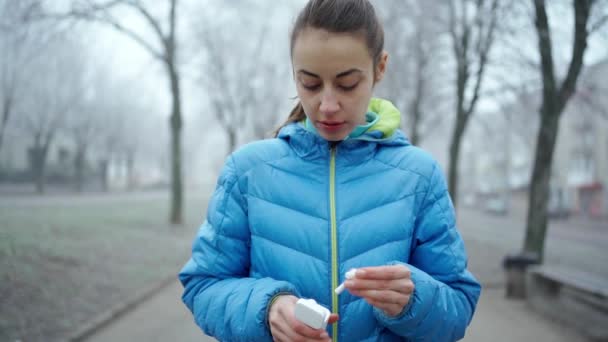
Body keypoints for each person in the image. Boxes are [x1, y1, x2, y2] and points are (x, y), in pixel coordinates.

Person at [179, 0, 481, 341]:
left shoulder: (420, 176)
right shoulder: (247, 171)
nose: (327, 105)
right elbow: (203, 285)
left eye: (348, 84)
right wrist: (267, 309)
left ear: (380, 67)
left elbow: (458, 307)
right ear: (294, 73)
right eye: (309, 84)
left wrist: (415, 300)